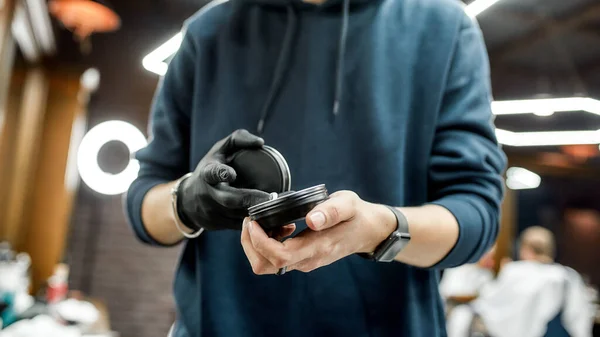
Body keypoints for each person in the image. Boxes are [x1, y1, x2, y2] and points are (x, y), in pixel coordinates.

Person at [124, 0, 507, 335]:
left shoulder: (443, 27)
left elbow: (476, 214)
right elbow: (144, 204)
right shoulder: (209, 32)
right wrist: (188, 200)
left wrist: (382, 231)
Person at [446, 227, 595, 337]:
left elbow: (491, 307)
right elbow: (580, 319)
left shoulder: (516, 271)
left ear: (525, 249)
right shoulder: (569, 276)